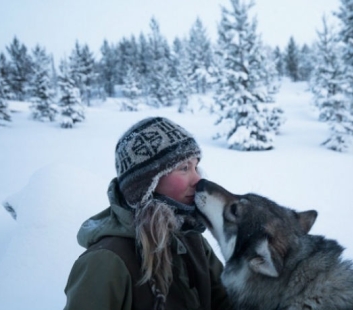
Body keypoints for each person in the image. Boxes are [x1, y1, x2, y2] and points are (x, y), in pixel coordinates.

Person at [64, 117, 232, 310]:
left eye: (196, 166)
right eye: (184, 168)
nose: (198, 179)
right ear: (146, 184)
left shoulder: (190, 238)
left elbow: (226, 301)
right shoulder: (106, 262)